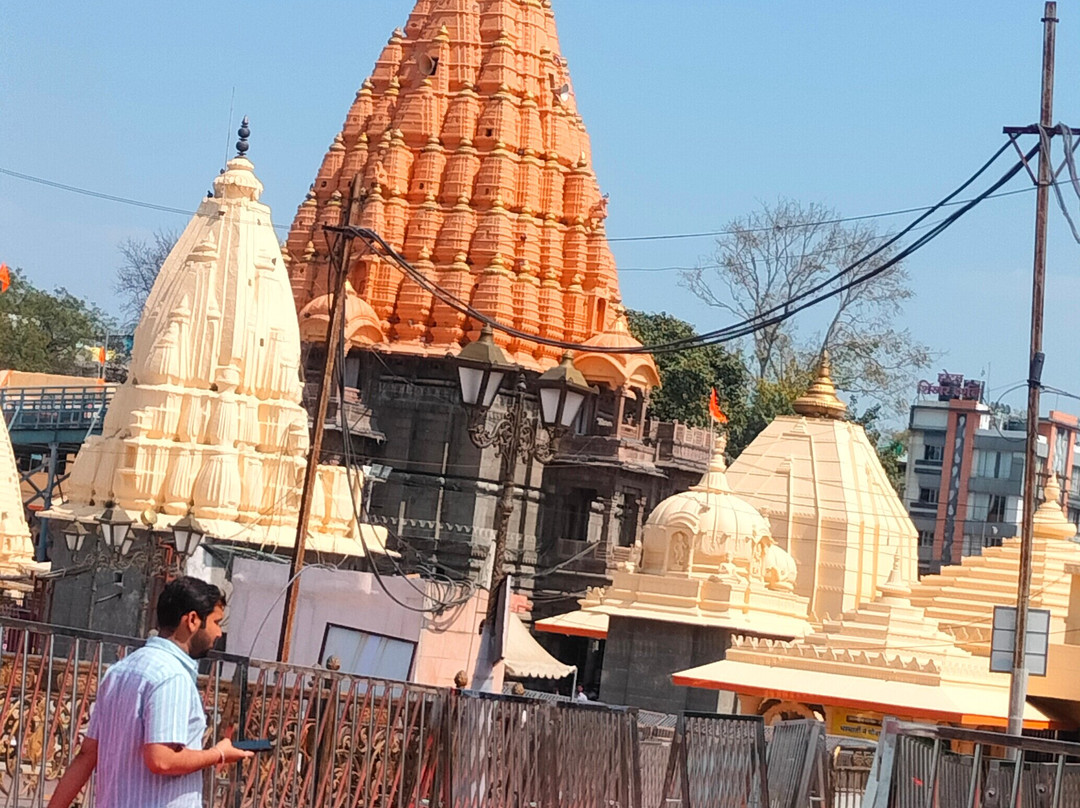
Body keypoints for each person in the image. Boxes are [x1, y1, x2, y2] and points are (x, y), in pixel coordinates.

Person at [49, 576, 253, 808]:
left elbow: (87, 755)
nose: (219, 633)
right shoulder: (172, 676)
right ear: (193, 620)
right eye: (217, 622)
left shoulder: (120, 671)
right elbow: (161, 760)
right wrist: (219, 754)